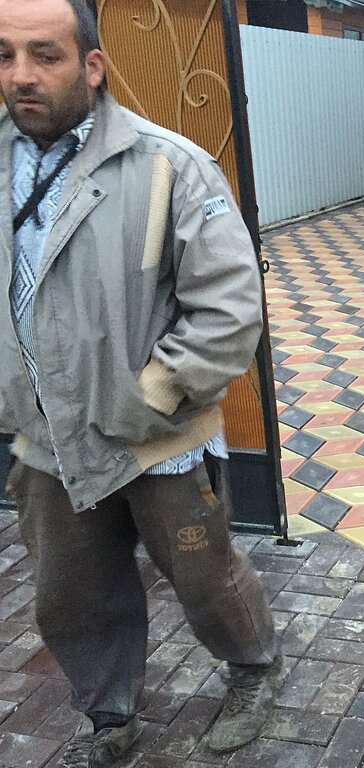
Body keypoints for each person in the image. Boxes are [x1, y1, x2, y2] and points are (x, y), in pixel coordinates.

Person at [0, 0, 282, 765]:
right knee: (71, 591)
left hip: (159, 437)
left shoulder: (169, 166)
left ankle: (254, 669)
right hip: (46, 438)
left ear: (91, 66)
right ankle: (109, 714)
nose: (21, 75)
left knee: (204, 574)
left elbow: (229, 307)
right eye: (4, 55)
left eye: (45, 54)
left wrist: (154, 394)